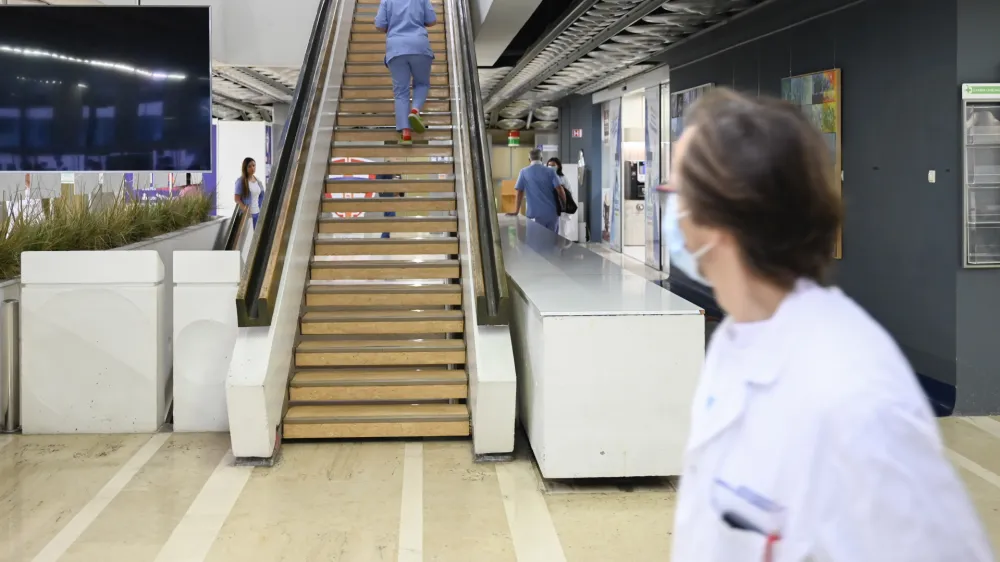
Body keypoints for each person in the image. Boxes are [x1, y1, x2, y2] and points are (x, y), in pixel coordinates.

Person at [663, 88, 992, 562]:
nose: (671, 212)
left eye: (676, 194)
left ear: (719, 216)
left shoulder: (856, 399)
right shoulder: (738, 339)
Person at [374, 0, 437, 145]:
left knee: (400, 91)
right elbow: (432, 21)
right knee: (421, 84)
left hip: (396, 48)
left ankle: (406, 133)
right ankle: (415, 111)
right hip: (419, 46)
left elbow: (379, 25)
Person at [507, 149, 565, 234]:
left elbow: (519, 192)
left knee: (535, 243)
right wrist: (564, 205)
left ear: (529, 159)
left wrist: (516, 211)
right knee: (553, 243)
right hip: (552, 214)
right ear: (541, 158)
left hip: (534, 215)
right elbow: (560, 190)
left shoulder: (524, 172)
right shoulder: (551, 171)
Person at [233, 157, 264, 227]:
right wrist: (245, 209)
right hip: (247, 215)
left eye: (253, 165)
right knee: (248, 236)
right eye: (249, 166)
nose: (252, 168)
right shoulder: (240, 181)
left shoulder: (258, 181)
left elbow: (262, 197)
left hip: (258, 213)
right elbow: (236, 199)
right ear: (245, 168)